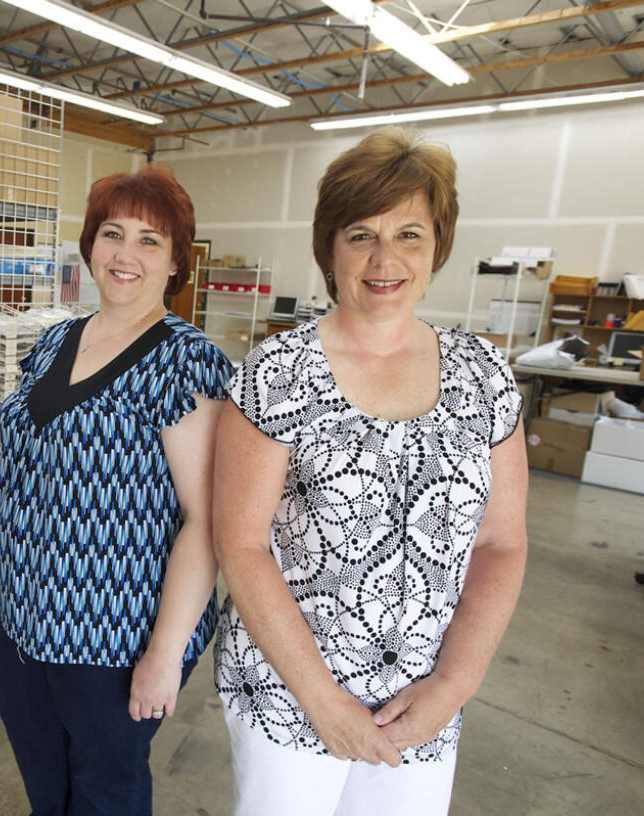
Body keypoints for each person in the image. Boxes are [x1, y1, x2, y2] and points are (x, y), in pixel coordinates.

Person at [212, 127, 528, 816]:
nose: (385, 258)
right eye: (361, 234)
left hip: (420, 702)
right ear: (330, 247)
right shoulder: (276, 374)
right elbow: (240, 544)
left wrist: (453, 686)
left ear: (437, 245)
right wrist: (324, 702)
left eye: (409, 234)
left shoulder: (486, 377)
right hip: (289, 698)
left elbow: (502, 543)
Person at [0, 164, 232, 816]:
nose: (125, 254)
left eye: (150, 241)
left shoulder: (184, 361)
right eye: (113, 233)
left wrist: (165, 655)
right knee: (44, 784)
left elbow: (206, 519)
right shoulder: (56, 339)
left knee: (106, 794)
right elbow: (17, 455)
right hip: (26, 623)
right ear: (89, 245)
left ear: (176, 263)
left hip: (114, 640)